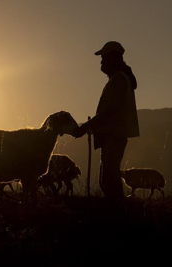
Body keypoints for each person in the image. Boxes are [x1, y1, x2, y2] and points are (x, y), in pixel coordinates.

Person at [73, 41, 140, 205]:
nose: (101, 62)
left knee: (109, 179)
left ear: (113, 58)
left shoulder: (117, 80)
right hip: (114, 134)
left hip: (113, 135)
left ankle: (119, 215)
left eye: (103, 58)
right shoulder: (120, 78)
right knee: (109, 177)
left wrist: (86, 126)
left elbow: (109, 111)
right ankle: (118, 214)